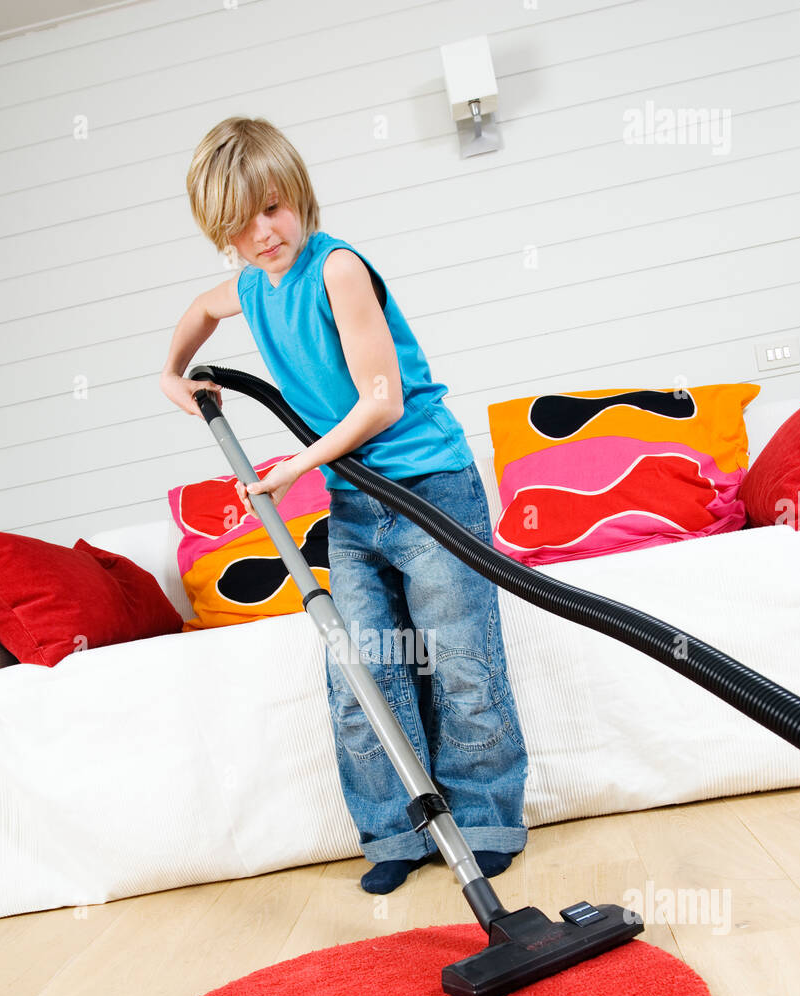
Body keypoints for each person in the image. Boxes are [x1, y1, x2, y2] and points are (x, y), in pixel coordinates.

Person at [161, 117, 528, 894]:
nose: (262, 233)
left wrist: (296, 465)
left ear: (296, 196)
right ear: (219, 229)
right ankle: (396, 831)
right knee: (360, 668)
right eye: (239, 223)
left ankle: (488, 819)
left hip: (428, 487)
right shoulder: (252, 287)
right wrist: (172, 375)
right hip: (356, 503)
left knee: (460, 659)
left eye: (272, 208)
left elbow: (382, 401)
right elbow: (199, 309)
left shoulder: (337, 269)